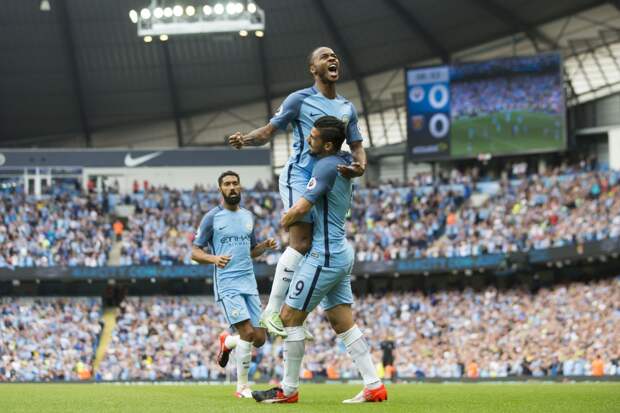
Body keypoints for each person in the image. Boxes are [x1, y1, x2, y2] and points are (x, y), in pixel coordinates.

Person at [228, 46, 367, 337]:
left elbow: (356, 145)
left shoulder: (346, 108)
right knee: (301, 241)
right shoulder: (299, 100)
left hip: (327, 178)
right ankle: (272, 312)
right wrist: (246, 139)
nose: (332, 59)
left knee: (317, 243)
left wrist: (361, 166)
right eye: (324, 57)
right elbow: (269, 130)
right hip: (301, 175)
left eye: (335, 56)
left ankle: (292, 313)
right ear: (312, 69)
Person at [251, 116, 387, 404]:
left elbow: (302, 206)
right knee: (342, 321)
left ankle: (288, 390)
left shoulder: (324, 166)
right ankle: (374, 384)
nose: (308, 140)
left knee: (289, 318)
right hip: (341, 251)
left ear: (326, 144)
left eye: (312, 137)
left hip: (324, 255)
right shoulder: (343, 160)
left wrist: (285, 219)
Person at [191, 171, 277, 398]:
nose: (232, 187)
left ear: (240, 187)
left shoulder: (248, 216)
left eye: (235, 183)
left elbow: (252, 251)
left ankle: (227, 341)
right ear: (220, 189)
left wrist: (264, 246)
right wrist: (214, 258)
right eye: (227, 184)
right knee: (247, 332)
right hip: (227, 282)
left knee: (259, 338)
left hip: (248, 281)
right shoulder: (212, 217)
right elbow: (195, 252)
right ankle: (242, 388)